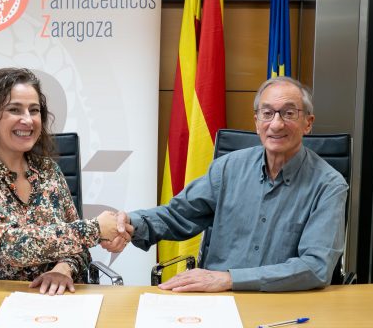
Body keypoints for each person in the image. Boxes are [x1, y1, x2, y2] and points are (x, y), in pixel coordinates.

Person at [104, 76, 348, 292]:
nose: (276, 124)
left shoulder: (328, 185)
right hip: (217, 302)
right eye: (267, 113)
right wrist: (130, 224)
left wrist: (230, 279)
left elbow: (315, 267)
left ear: (308, 123)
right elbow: (178, 215)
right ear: (256, 122)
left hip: (284, 306)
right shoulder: (228, 168)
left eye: (289, 113)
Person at [0, 67, 132, 295]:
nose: (28, 120)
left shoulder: (49, 171)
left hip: (59, 300)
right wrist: (96, 229)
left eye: (34, 110)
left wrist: (63, 269)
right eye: (14, 109)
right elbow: (10, 245)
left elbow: (79, 250)